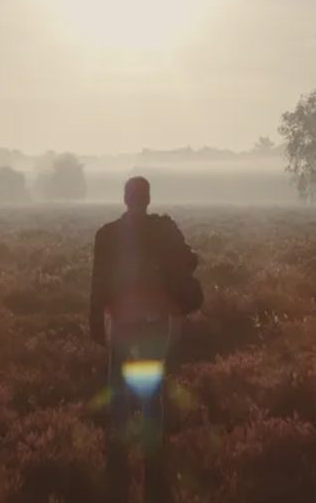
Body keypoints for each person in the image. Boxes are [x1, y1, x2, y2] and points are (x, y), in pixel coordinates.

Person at [90, 176, 202, 503]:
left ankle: (118, 468)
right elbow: (190, 262)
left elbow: (98, 286)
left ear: (125, 199)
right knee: (151, 393)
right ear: (148, 199)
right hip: (154, 323)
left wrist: (96, 325)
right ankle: (153, 467)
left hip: (123, 326)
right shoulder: (163, 231)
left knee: (119, 392)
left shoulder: (107, 235)